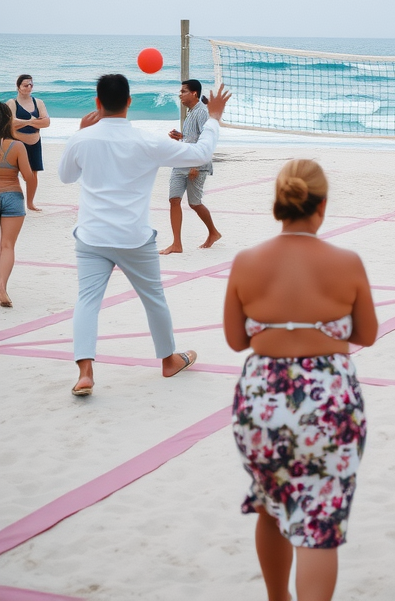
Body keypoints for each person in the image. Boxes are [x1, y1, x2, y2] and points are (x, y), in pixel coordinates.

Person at [224, 159, 377, 601]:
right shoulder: (346, 262)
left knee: (272, 505)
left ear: (279, 201)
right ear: (322, 205)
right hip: (328, 399)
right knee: (319, 521)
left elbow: (236, 340)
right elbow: (366, 333)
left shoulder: (247, 261)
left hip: (262, 398)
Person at [58, 74, 231, 397]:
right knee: (154, 299)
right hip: (134, 237)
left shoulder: (82, 139)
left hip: (92, 236)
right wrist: (215, 119)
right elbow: (200, 154)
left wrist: (79, 134)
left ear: (97, 103)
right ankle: (168, 361)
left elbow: (66, 176)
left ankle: (85, 373)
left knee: (87, 302)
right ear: (129, 101)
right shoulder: (145, 141)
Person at [160, 79, 221, 253]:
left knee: (194, 203)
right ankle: (176, 244)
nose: (180, 94)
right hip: (182, 161)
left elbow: (206, 140)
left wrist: (196, 164)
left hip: (196, 164)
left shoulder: (202, 112)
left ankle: (213, 232)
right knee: (174, 199)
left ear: (194, 93)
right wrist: (181, 137)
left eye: (183, 91)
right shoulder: (191, 112)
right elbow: (193, 137)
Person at [0, 102, 35, 307]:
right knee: (7, 246)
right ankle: (2, 287)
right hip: (12, 195)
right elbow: (28, 176)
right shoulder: (17, 146)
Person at [7, 75, 50, 211]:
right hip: (17, 143)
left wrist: (24, 122)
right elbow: (11, 124)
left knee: (33, 174)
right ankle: (12, 203)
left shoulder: (38, 102)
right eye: (26, 85)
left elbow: (46, 122)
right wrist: (33, 121)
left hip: (35, 142)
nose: (29, 87)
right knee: (13, 174)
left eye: (31, 84)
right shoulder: (12, 103)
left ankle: (30, 203)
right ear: (18, 87)